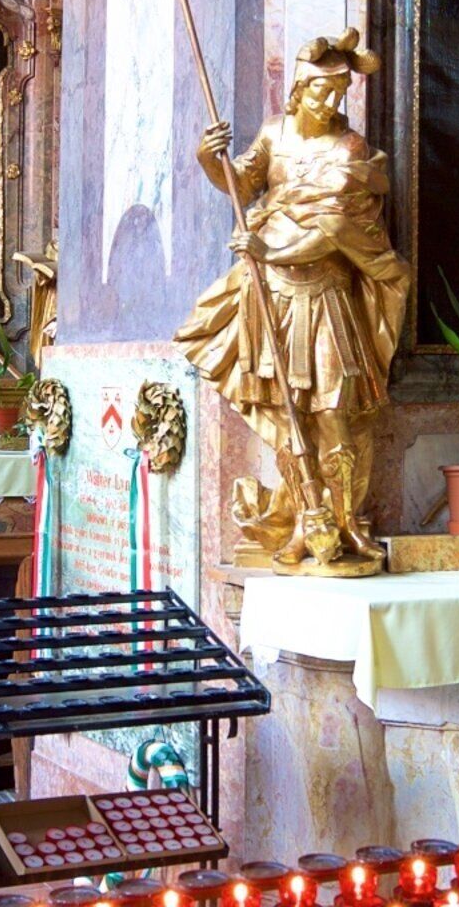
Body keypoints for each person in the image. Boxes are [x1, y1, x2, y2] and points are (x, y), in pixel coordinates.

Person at [178, 33, 413, 574]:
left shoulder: (350, 150)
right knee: (290, 417)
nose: (331, 103)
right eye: (321, 92)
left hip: (327, 296)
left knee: (335, 414)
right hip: (274, 299)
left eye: (339, 92)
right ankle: (310, 522)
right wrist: (208, 158)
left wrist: (269, 247)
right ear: (299, 90)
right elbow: (240, 185)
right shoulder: (274, 136)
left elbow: (334, 230)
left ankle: (348, 519)